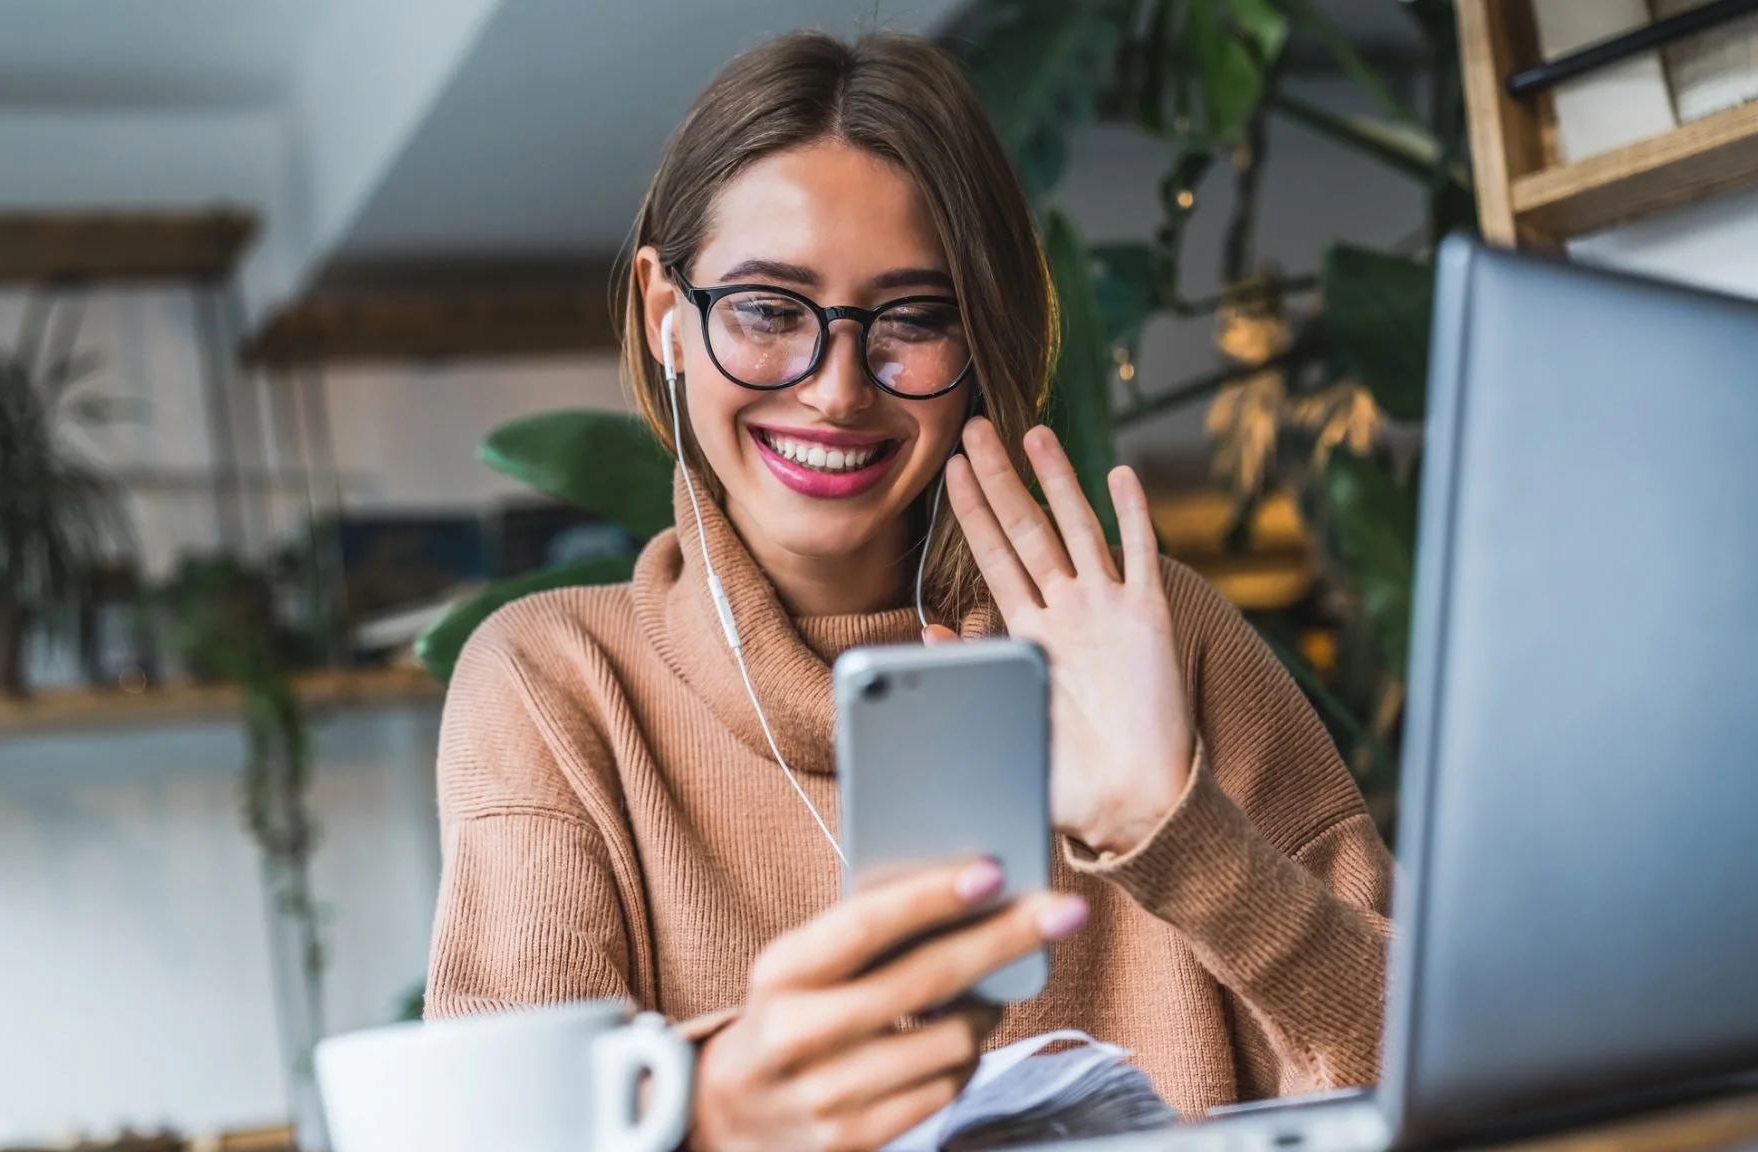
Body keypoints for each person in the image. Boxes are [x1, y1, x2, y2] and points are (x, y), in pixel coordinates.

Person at [427, 28, 1392, 1152]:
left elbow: (1448, 1079)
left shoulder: (1151, 639)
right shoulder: (554, 687)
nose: (837, 390)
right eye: (768, 310)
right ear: (664, 314)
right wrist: (707, 1120)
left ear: (979, 337)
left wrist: (1171, 829)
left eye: (915, 319)